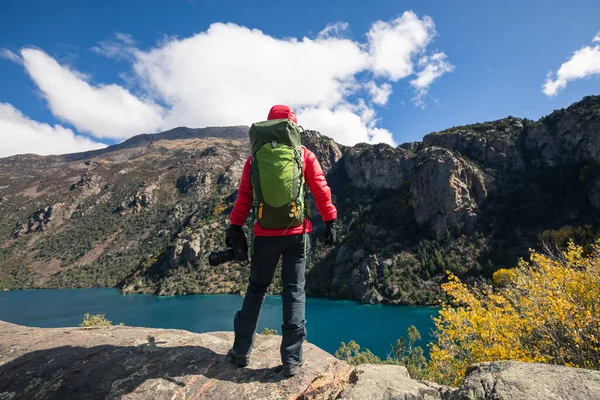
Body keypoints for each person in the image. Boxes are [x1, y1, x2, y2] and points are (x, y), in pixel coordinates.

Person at [226, 104, 337, 377]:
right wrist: (330, 220)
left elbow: (243, 198)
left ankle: (241, 352)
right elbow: (321, 189)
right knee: (294, 291)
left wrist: (235, 226)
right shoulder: (303, 155)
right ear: (293, 127)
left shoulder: (254, 160)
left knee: (256, 290)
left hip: (264, 235)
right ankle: (291, 360)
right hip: (297, 235)